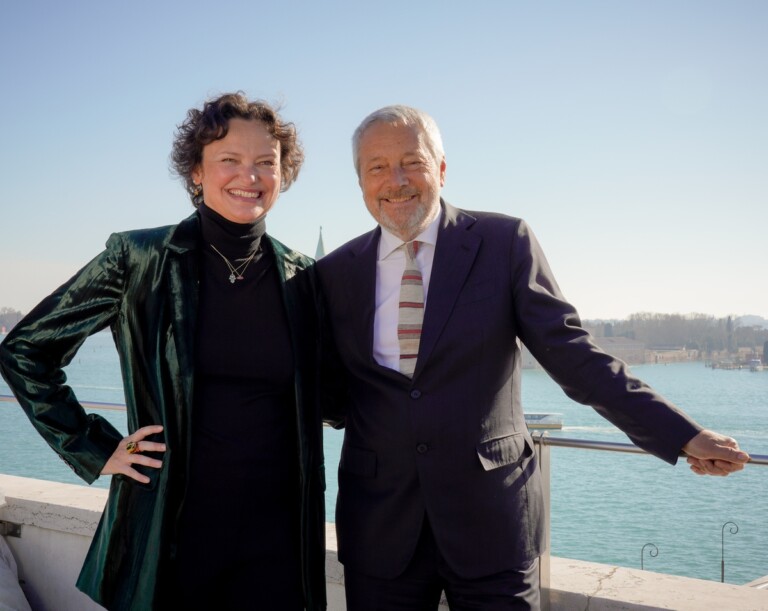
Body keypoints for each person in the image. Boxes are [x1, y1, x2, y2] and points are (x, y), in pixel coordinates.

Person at [315, 105, 751, 611]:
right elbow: (329, 391)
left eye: (412, 162)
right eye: (377, 167)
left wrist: (682, 434)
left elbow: (572, 356)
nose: (396, 181)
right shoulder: (332, 275)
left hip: (493, 525)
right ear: (360, 180)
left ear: (441, 168)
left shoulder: (503, 243)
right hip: (380, 529)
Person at [0, 93, 328, 610]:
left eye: (266, 162)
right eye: (230, 160)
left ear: (283, 175)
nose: (251, 175)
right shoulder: (139, 258)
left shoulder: (305, 277)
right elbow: (25, 351)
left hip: (278, 540)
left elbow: (334, 398)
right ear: (196, 172)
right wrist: (93, 446)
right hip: (171, 534)